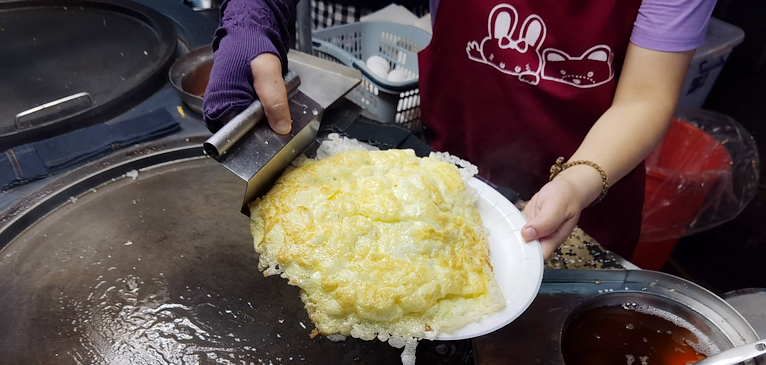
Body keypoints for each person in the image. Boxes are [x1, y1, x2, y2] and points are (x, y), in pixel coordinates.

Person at [204, 0, 717, 260]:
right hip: (454, 168)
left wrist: (576, 182)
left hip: (586, 194)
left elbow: (646, 97)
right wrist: (252, 15)